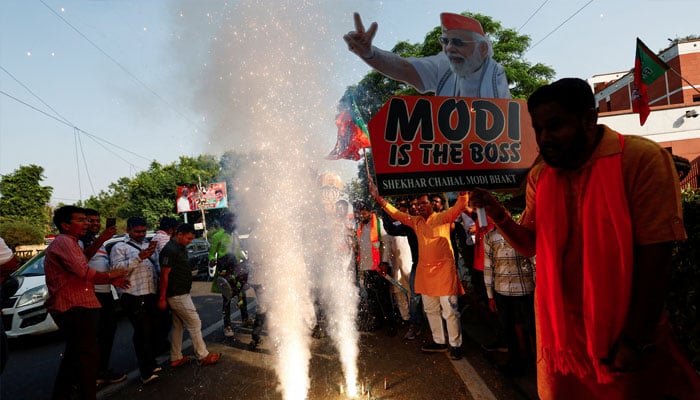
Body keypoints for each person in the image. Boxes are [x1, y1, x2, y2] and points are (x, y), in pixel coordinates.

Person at [470, 77, 700, 399]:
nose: (545, 138)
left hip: (622, 339)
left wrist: (634, 339)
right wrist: (496, 211)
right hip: (562, 343)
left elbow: (656, 257)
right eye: (538, 129)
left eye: (555, 126)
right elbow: (529, 245)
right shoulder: (541, 176)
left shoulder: (639, 159)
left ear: (589, 119)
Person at [370, 185, 467, 360]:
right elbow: (396, 214)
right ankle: (439, 341)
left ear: (431, 204)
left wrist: (463, 191)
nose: (419, 207)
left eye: (424, 203)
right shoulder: (416, 222)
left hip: (445, 272)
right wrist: (379, 199)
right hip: (425, 273)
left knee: (450, 310)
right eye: (418, 204)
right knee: (430, 309)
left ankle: (456, 345)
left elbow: (460, 205)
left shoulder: (444, 217)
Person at [43, 206, 128, 400]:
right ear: (65, 225)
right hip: (75, 306)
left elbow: (83, 266)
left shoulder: (72, 242)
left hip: (82, 303)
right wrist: (110, 275)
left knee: (76, 356)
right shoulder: (65, 242)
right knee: (87, 358)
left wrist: (109, 278)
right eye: (81, 220)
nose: (87, 224)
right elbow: (85, 272)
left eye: (87, 220)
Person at [344, 12, 510, 98]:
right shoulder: (444, 66)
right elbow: (405, 68)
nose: (449, 48)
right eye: (445, 41)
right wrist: (371, 54)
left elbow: (509, 122)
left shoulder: (495, 73)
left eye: (458, 42)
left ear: (482, 49)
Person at [158, 224, 221, 367]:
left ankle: (175, 357)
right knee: (194, 323)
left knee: (178, 325)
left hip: (181, 293)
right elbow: (164, 275)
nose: (190, 241)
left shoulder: (178, 247)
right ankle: (202, 355)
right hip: (177, 294)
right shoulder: (169, 250)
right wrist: (162, 298)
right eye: (188, 238)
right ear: (179, 234)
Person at [110, 217, 161, 384]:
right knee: (142, 331)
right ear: (128, 230)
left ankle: (151, 363)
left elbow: (154, 266)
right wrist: (139, 257)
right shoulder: (120, 247)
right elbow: (116, 269)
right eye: (137, 231)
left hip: (150, 292)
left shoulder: (148, 244)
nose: (141, 234)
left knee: (151, 330)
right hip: (132, 294)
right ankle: (145, 372)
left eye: (143, 231)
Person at [483, 222, 536, 376]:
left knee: (532, 328)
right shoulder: (490, 237)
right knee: (508, 329)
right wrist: (490, 295)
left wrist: (538, 287)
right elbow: (488, 267)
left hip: (526, 289)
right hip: (502, 292)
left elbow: (533, 261)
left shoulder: (521, 233)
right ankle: (516, 363)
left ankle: (539, 366)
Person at [80, 209, 125, 386]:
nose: (96, 224)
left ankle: (101, 371)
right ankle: (91, 375)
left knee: (108, 332)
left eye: (98, 221)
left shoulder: (96, 242)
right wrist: (102, 238)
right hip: (92, 294)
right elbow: (82, 262)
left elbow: (100, 266)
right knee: (95, 337)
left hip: (105, 292)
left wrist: (114, 279)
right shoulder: (81, 241)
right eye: (91, 221)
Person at [355, 201, 396, 336]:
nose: (362, 215)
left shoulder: (379, 223)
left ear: (370, 212)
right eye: (360, 213)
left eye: (364, 213)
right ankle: (378, 322)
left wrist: (384, 262)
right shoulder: (360, 227)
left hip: (379, 268)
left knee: (384, 297)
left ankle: (391, 324)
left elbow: (386, 244)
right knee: (372, 297)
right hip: (367, 268)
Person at [208, 212, 250, 338]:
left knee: (242, 295)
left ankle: (245, 319)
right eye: (231, 221)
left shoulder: (235, 235)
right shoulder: (217, 236)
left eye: (234, 221)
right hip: (225, 270)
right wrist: (211, 260)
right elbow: (212, 253)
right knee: (227, 300)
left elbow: (237, 251)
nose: (234, 224)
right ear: (225, 222)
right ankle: (227, 326)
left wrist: (245, 258)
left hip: (236, 268)